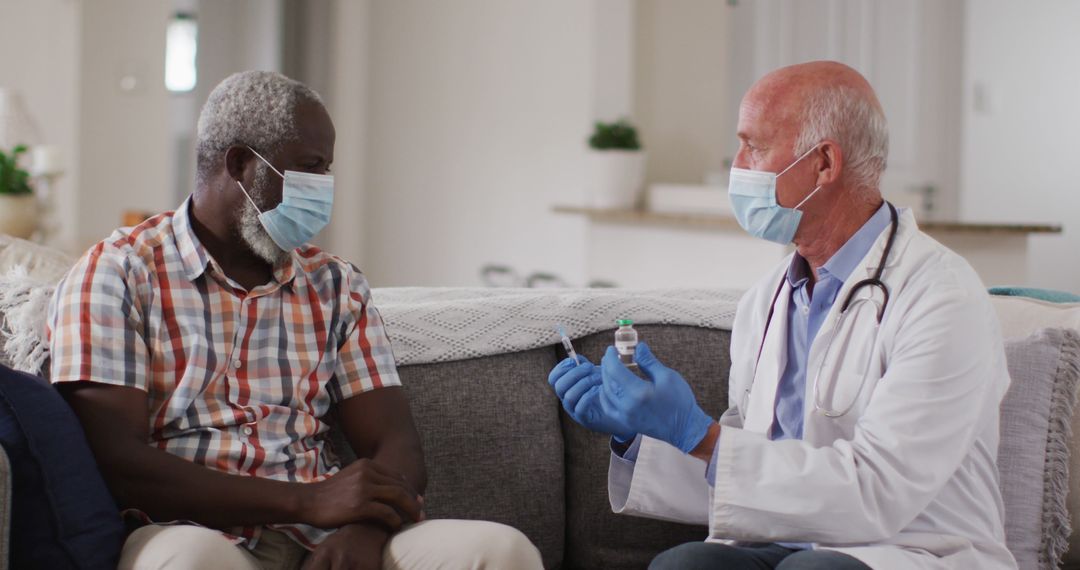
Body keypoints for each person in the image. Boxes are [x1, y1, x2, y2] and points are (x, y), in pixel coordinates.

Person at [49, 71, 542, 570]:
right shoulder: (118, 272)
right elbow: (113, 458)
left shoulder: (337, 286)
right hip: (186, 532)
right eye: (310, 167)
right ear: (240, 163)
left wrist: (365, 529)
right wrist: (306, 502)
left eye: (327, 169)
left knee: (500, 551)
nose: (324, 188)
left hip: (325, 538)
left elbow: (395, 442)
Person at [548, 61, 1016, 569]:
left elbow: (879, 490)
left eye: (754, 145)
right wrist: (639, 430)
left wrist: (698, 433)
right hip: (782, 541)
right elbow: (750, 474)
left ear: (823, 164)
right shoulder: (767, 297)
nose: (738, 164)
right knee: (685, 566)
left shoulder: (942, 297)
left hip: (913, 547)